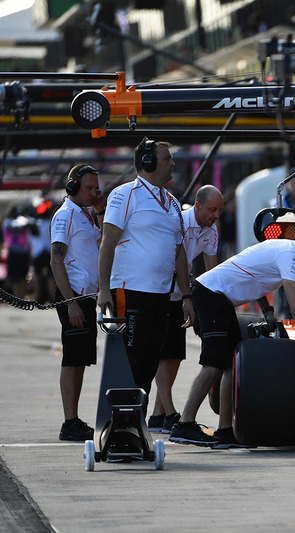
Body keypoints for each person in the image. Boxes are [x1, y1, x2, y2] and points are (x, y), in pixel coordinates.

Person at [169, 218, 295, 447]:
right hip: (211, 296)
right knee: (213, 363)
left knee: (230, 364)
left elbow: (253, 275)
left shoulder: (285, 250)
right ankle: (184, 424)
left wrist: (267, 310)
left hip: (221, 300)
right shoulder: (289, 256)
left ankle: (225, 430)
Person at [97, 138, 195, 398]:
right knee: (131, 359)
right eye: (167, 159)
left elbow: (179, 252)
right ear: (148, 162)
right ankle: (120, 420)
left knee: (151, 361)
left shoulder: (173, 202)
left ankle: (136, 418)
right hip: (130, 292)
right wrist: (103, 289)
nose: (173, 163)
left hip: (161, 295)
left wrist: (186, 296)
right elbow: (107, 243)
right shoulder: (124, 194)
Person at [148, 185, 223, 434]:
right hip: (159, 288)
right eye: (212, 209)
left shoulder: (211, 232)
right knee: (161, 353)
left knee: (176, 355)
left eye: (219, 210)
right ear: (198, 206)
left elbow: (212, 272)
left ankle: (158, 414)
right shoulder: (177, 221)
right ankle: (170, 413)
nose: (216, 215)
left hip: (181, 292)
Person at [50, 164, 103, 441]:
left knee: (80, 359)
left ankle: (74, 419)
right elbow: (56, 259)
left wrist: (101, 209)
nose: (94, 192)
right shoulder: (65, 215)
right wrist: (70, 302)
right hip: (73, 297)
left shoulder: (87, 216)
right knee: (72, 359)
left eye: (96, 187)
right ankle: (69, 421)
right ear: (72, 187)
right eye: (89, 188)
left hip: (86, 298)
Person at [2, 205, 33, 298]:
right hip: (23, 252)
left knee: (16, 277)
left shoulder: (7, 223)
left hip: (13, 252)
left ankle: (18, 298)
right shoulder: (25, 222)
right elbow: (29, 238)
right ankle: (21, 297)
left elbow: (4, 238)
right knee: (22, 277)